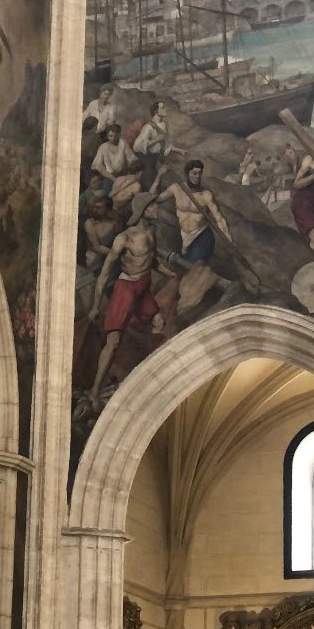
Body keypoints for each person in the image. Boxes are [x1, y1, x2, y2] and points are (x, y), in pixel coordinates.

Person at [87, 192, 166, 409]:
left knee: (159, 324)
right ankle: (94, 392)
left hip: (143, 287)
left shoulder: (152, 232)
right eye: (154, 206)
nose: (158, 209)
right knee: (113, 342)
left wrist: (171, 274)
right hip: (126, 288)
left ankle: (144, 378)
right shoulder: (125, 238)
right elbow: (105, 272)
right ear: (142, 210)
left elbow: (152, 261)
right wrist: (95, 306)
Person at [155, 160, 237, 313]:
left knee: (190, 270)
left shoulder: (205, 195)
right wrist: (159, 176)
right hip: (183, 236)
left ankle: (185, 305)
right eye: (194, 173)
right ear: (187, 174)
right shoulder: (176, 188)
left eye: (199, 173)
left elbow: (219, 218)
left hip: (202, 236)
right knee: (180, 269)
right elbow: (155, 199)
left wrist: (229, 240)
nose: (197, 176)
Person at [90, 124, 143, 209]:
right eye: (110, 136)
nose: (113, 138)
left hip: (122, 175)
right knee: (109, 197)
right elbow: (98, 166)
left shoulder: (123, 143)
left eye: (116, 135)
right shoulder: (103, 147)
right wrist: (111, 177)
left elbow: (131, 158)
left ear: (119, 135)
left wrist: (132, 169)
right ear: (107, 136)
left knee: (131, 190)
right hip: (108, 177)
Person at [132, 101, 180, 189]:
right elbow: (137, 146)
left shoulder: (164, 124)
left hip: (159, 159)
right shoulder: (148, 127)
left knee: (159, 184)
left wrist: (179, 150)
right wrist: (156, 140)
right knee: (151, 186)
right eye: (163, 108)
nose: (165, 109)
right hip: (149, 162)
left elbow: (164, 144)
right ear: (156, 112)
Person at [83, 196, 121, 271]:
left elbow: (118, 240)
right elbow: (97, 247)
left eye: (99, 208)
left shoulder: (114, 223)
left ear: (107, 209)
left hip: (110, 257)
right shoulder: (90, 223)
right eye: (95, 207)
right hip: (94, 258)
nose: (95, 210)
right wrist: (117, 255)